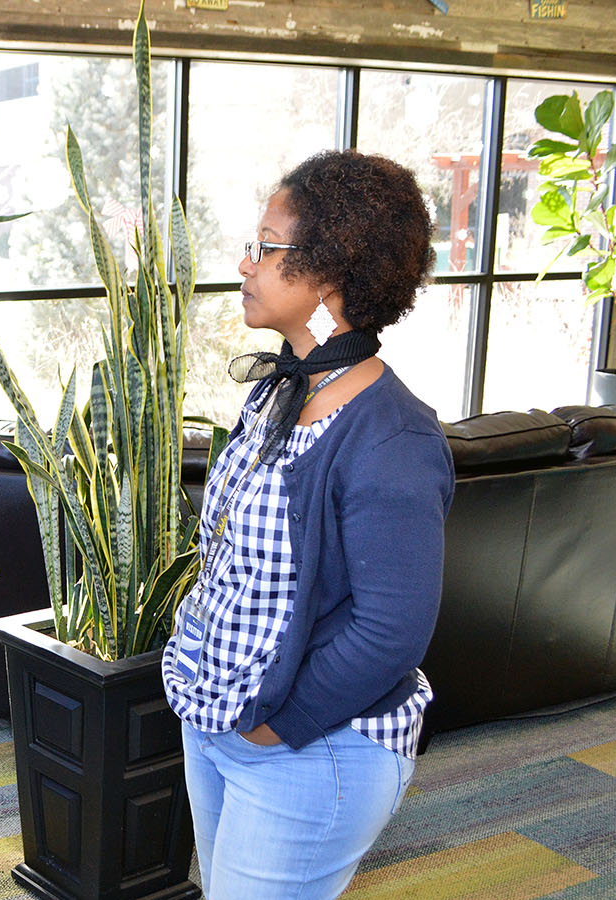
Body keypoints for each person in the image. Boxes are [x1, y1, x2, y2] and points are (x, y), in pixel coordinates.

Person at [160, 150, 455, 899]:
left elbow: (393, 630)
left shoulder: (392, 439)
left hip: (311, 749)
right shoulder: (280, 392)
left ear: (327, 273)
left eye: (266, 246)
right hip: (222, 719)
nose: (245, 262)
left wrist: (277, 726)